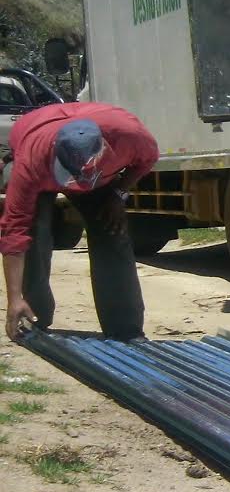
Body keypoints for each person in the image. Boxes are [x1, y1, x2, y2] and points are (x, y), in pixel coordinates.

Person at [2, 103, 159, 341]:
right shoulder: (32, 162)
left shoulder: (130, 137)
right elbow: (14, 231)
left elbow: (147, 161)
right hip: (37, 146)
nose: (75, 184)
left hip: (98, 161)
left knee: (112, 229)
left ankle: (125, 329)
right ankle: (34, 315)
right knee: (34, 232)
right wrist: (13, 299)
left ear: (105, 149)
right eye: (72, 177)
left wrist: (118, 195)